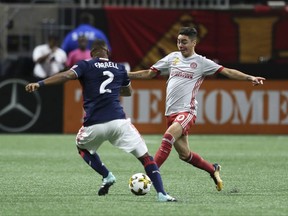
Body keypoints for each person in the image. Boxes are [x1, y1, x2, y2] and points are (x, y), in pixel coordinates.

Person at [25, 39, 176, 202]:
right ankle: (162, 193)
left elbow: (67, 75)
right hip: (119, 122)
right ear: (107, 52)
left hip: (94, 124)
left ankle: (107, 175)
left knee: (82, 147)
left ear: (92, 53)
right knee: (146, 157)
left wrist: (40, 83)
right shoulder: (120, 68)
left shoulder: (85, 65)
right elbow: (128, 92)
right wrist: (114, 87)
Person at [128, 26, 266, 192]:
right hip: (170, 113)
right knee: (185, 155)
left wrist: (250, 77)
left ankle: (150, 177)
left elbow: (227, 71)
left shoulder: (201, 62)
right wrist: (126, 75)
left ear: (194, 42)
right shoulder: (172, 58)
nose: (180, 45)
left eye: (184, 42)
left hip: (187, 111)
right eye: (179, 41)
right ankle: (212, 169)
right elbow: (149, 74)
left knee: (167, 138)